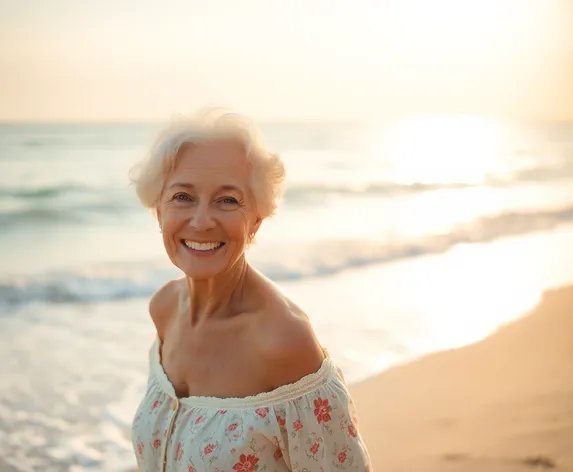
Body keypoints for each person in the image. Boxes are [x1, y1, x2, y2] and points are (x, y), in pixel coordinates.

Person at [130, 109, 371, 471]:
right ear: (158, 211)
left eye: (227, 200)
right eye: (183, 197)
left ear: (256, 220)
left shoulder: (283, 342)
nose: (201, 221)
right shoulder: (163, 309)